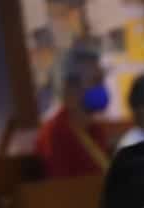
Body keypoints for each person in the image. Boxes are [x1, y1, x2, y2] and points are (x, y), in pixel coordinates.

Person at [35, 43, 110, 178]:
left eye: (102, 80)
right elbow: (65, 191)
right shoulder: (55, 135)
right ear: (71, 89)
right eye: (96, 81)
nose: (102, 87)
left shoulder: (95, 129)